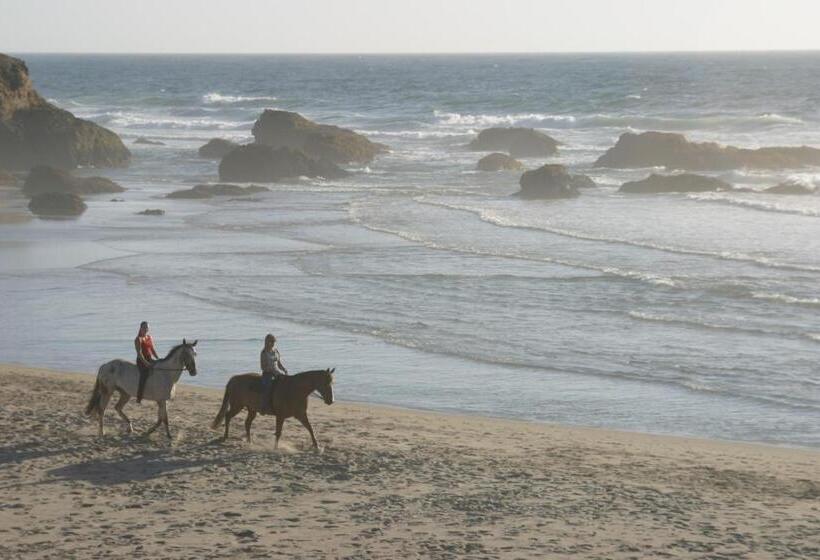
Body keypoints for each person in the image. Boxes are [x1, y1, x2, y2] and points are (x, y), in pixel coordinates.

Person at [259, 333, 288, 414]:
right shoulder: (264, 353)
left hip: (277, 372)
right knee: (268, 387)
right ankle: (264, 406)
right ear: (267, 342)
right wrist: (273, 371)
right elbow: (263, 367)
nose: (272, 343)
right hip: (268, 373)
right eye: (271, 342)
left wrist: (284, 369)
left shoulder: (276, 351)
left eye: (273, 342)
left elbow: (279, 363)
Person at [135, 321, 159, 404]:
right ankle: (139, 397)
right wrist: (146, 363)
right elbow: (139, 354)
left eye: (147, 328)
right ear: (141, 328)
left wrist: (158, 359)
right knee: (144, 376)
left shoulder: (149, 337)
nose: (146, 329)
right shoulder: (138, 339)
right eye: (144, 327)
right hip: (141, 361)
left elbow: (152, 349)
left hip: (150, 359)